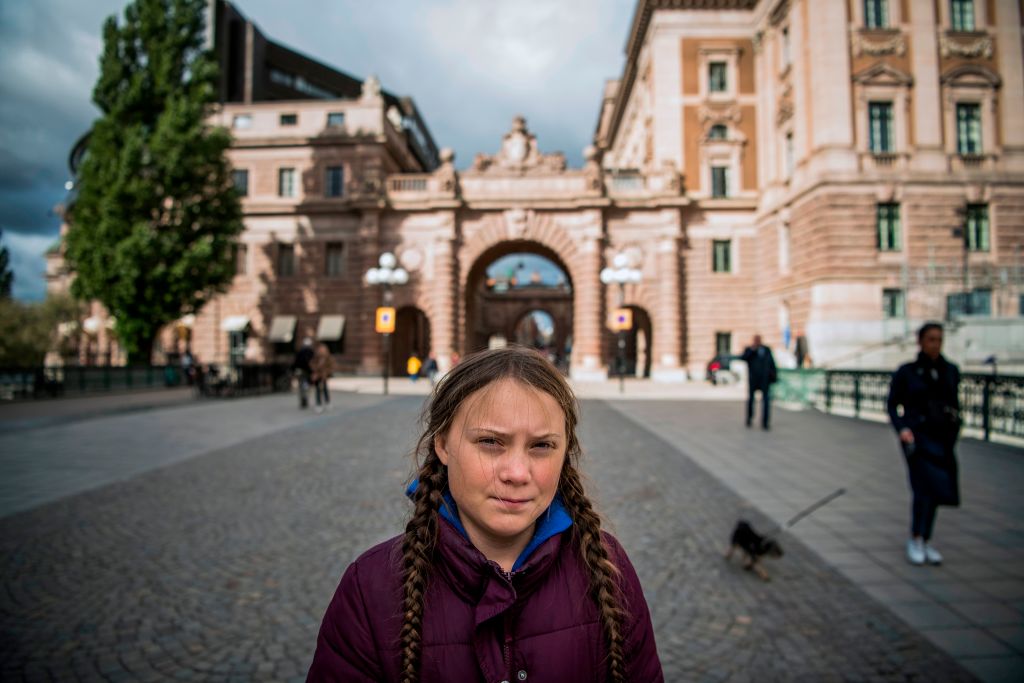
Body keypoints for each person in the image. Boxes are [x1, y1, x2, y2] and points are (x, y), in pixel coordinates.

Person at [307, 346, 663, 682]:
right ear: (443, 444)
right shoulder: (370, 589)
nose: (517, 473)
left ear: (565, 451)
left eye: (541, 446)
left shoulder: (608, 569)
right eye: (491, 442)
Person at [886, 322, 961, 566]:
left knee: (938, 490)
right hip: (917, 439)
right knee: (922, 489)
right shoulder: (907, 372)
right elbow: (892, 405)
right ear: (920, 341)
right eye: (931, 339)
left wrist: (954, 427)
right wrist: (903, 429)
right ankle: (916, 537)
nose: (935, 344)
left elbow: (954, 405)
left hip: (941, 439)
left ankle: (926, 539)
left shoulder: (949, 370)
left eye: (939, 339)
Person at [741, 334, 777, 430]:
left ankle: (765, 422)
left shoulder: (766, 349)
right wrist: (753, 350)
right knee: (751, 400)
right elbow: (743, 358)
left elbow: (772, 363)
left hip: (764, 380)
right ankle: (749, 418)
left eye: (759, 339)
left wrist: (774, 376)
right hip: (753, 379)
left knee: (766, 400)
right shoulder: (749, 349)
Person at [310, 343, 336, 414]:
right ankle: (318, 404)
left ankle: (327, 402)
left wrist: (327, 373)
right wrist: (316, 368)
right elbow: (311, 364)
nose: (321, 351)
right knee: (318, 390)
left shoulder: (328, 358)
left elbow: (331, 367)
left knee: (325, 389)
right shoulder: (316, 358)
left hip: (324, 376)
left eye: (323, 350)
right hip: (318, 376)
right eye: (320, 350)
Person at [293, 337, 315, 409]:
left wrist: (293, 369)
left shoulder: (300, 352)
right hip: (307, 372)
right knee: (307, 386)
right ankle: (305, 399)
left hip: (301, 371)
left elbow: (296, 362)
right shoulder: (311, 352)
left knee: (301, 386)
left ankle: (303, 400)